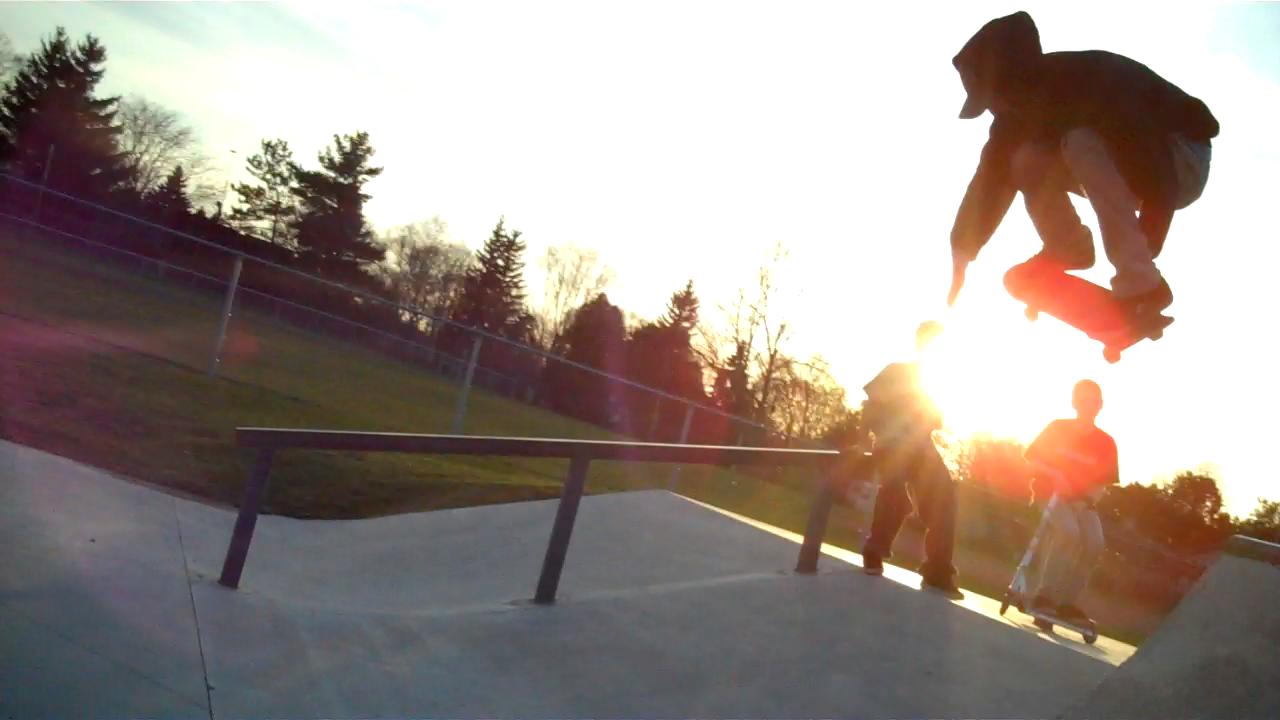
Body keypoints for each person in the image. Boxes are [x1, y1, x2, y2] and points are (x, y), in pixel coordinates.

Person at [945, 11, 1218, 330]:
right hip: (1135, 165)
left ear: (1014, 81)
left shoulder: (1087, 83)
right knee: (1023, 160)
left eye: (993, 99)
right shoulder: (1012, 121)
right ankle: (1068, 247)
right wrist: (962, 253)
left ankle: (1142, 285)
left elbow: (1143, 144)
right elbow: (990, 180)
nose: (993, 110)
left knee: (1078, 139)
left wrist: (1151, 229)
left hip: (1180, 157)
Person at [859, 320, 961, 598]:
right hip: (893, 444)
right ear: (920, 345)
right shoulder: (897, 371)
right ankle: (875, 549)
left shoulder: (936, 382)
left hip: (921, 448)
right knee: (895, 495)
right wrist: (862, 440)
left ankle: (938, 569)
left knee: (944, 498)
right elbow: (870, 405)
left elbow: (935, 422)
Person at [1023, 379, 1119, 627]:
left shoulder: (1106, 443)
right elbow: (1031, 458)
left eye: (1094, 401)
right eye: (1084, 400)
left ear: (1100, 406)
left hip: (1082, 502)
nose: (1089, 406)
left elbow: (1103, 484)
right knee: (1069, 531)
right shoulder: (1057, 428)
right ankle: (1045, 596)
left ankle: (1066, 602)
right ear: (1074, 402)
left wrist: (1085, 500)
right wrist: (1055, 476)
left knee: (1095, 543)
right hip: (1049, 495)